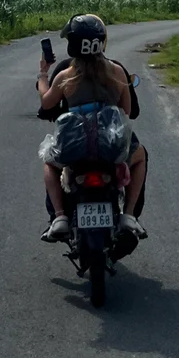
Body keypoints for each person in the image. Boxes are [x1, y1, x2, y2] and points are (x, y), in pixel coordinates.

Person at [36, 14, 148, 241]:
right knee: (141, 156)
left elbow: (46, 103)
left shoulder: (65, 76)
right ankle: (128, 215)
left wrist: (43, 74)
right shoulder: (117, 71)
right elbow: (126, 111)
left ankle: (59, 217)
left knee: (50, 162)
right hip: (110, 146)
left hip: (75, 146)